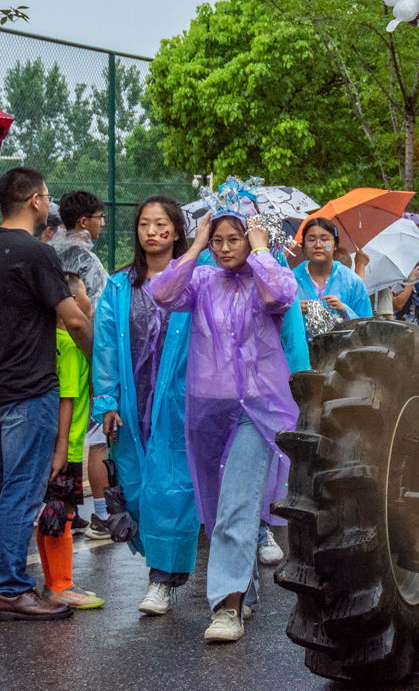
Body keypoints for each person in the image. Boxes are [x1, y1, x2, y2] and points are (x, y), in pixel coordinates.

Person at [150, 205, 298, 643]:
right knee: (216, 509)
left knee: (235, 503)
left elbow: (281, 295)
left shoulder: (263, 279)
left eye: (234, 239)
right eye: (219, 240)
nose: (225, 248)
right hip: (208, 411)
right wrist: (195, 246)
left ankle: (226, 608)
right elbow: (161, 292)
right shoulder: (201, 281)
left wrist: (260, 248)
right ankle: (245, 590)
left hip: (256, 411)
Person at [0, 167, 93, 620]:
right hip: (28, 388)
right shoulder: (35, 254)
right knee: (22, 490)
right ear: (35, 202)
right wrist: (102, 366)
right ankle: (12, 588)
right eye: (47, 196)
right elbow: (76, 320)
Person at [94, 196, 201, 616]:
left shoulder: (197, 280)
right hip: (132, 405)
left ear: (177, 231)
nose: (152, 232)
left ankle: (161, 580)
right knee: (138, 489)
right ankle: (163, 566)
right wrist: (106, 400)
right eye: (144, 224)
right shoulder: (120, 287)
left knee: (172, 488)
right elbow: (104, 346)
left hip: (180, 403)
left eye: (161, 224)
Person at [35, 271, 103, 609]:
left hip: (54, 444)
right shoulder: (73, 349)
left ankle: (52, 583)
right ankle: (62, 585)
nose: (90, 299)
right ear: (74, 302)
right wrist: (62, 449)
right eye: (87, 293)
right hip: (68, 447)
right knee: (62, 512)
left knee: (48, 514)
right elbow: (67, 400)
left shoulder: (51, 344)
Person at [53, 189, 112, 538]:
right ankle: (103, 514)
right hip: (83, 353)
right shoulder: (84, 261)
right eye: (99, 216)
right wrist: (101, 364)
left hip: (52, 354)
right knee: (97, 438)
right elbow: (97, 314)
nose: (102, 222)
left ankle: (65, 510)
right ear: (83, 221)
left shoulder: (48, 253)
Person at [294, 217, 373, 324]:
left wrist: (344, 310)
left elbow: (367, 324)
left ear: (335, 245)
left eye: (325, 239)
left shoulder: (353, 281)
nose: (318, 245)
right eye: (311, 240)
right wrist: (293, 311)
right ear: (303, 246)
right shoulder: (291, 280)